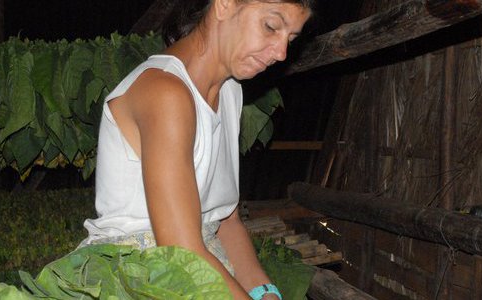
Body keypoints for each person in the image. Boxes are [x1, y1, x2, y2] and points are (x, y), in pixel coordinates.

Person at [78, 0, 313, 299]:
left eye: (290, 39)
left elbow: (226, 221)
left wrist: (266, 293)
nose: (281, 53)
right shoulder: (165, 92)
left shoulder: (229, 92)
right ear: (225, 5)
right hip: (140, 278)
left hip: (198, 270)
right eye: (271, 27)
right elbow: (180, 251)